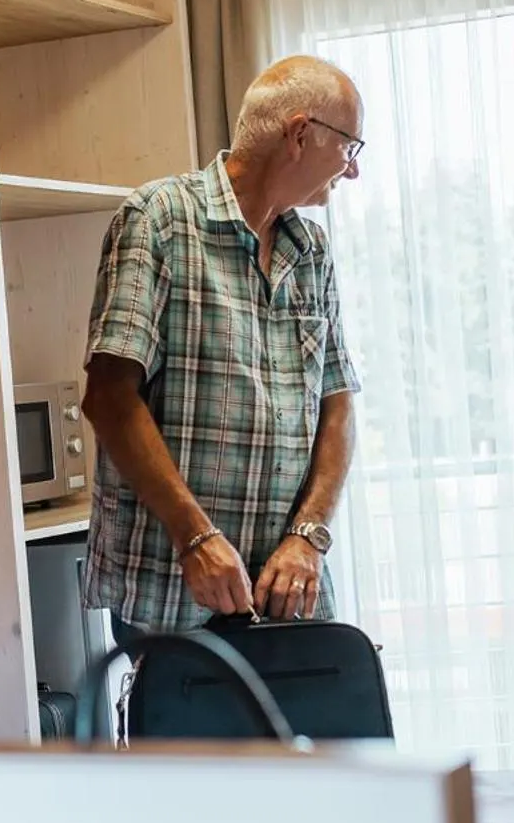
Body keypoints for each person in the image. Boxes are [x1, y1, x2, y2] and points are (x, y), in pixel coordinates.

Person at [80, 55, 364, 642]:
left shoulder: (310, 247)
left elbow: (337, 405)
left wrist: (308, 536)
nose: (352, 170)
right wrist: (197, 538)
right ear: (301, 134)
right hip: (173, 586)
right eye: (350, 147)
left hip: (286, 590)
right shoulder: (157, 220)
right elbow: (109, 399)